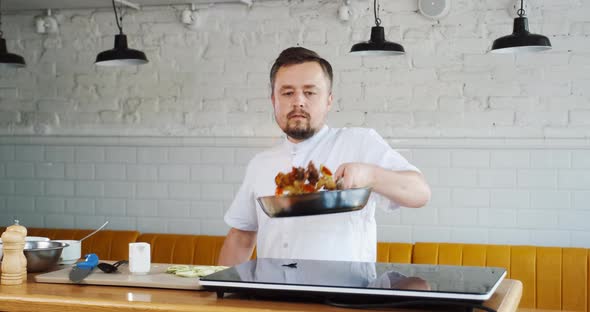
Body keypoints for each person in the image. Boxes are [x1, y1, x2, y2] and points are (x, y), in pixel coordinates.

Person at [218, 47, 431, 266]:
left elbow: (420, 193)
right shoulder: (260, 164)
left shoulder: (359, 142)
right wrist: (218, 294)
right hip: (276, 295)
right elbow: (241, 238)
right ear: (274, 100)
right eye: (287, 92)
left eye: (310, 92)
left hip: (345, 295)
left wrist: (371, 176)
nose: (298, 101)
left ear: (329, 100)